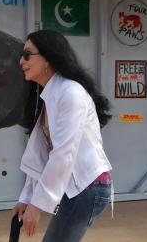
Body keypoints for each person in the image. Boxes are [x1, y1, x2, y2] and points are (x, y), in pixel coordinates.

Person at [13, 30, 113, 242]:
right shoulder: (47, 96)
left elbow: (63, 154)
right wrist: (27, 197)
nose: (21, 60)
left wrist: (37, 205)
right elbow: (39, 155)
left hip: (88, 186)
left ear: (48, 58)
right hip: (75, 186)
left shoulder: (71, 93)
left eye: (27, 54)